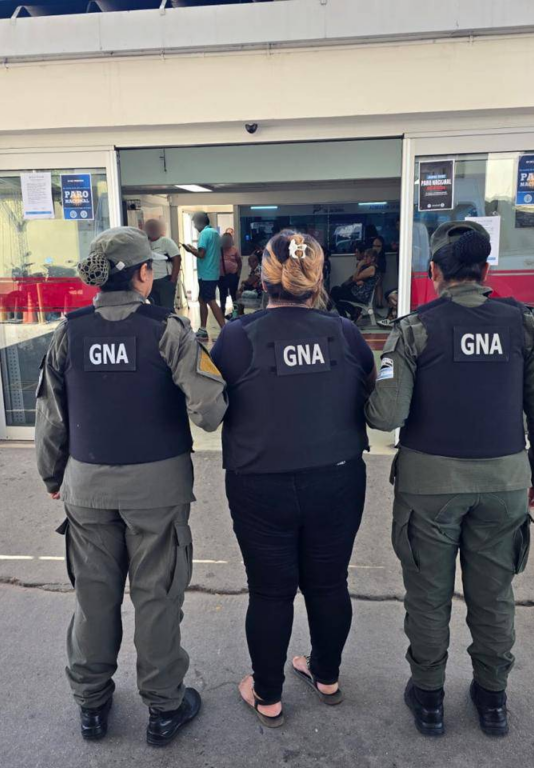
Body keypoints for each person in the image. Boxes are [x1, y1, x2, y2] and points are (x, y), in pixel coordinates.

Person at [365, 220, 534, 738]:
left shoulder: (414, 329)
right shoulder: (523, 325)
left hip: (428, 487)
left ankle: (429, 700)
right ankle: (492, 700)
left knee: (428, 597)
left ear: (434, 272)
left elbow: (386, 416)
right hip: (504, 482)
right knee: (493, 596)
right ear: (485, 270)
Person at [35, 227, 227, 748]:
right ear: (144, 273)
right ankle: (164, 709)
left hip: (87, 489)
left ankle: (92, 706)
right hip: (157, 492)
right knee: (157, 598)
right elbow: (210, 411)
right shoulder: (169, 330)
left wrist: (52, 476)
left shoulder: (68, 331)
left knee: (93, 598)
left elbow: (51, 417)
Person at [211, 231, 375, 728]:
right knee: (329, 582)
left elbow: (211, 407)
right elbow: (370, 391)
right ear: (318, 279)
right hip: (337, 479)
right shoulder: (345, 332)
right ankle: (326, 676)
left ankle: (268, 696)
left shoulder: (237, 335)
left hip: (260, 483)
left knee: (269, 591)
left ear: (262, 279)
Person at [180, 212, 227, 340]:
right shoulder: (214, 232)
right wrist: (194, 249)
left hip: (207, 274)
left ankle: (225, 330)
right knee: (201, 300)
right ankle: (203, 329)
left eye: (195, 223)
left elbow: (201, 254)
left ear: (200, 222)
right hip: (212, 272)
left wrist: (190, 250)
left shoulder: (204, 234)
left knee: (211, 300)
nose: (195, 226)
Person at [330, 246, 378, 321]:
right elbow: (357, 280)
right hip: (358, 293)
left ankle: (352, 314)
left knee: (335, 292)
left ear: (373, 258)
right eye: (364, 256)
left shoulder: (372, 268)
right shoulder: (370, 267)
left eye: (367, 257)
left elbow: (355, 278)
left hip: (361, 296)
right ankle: (352, 313)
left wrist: (359, 265)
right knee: (336, 295)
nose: (364, 259)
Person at [143, 219, 181, 310]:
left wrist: (173, 280)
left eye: (153, 227)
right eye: (149, 228)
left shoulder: (166, 241)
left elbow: (177, 259)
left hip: (164, 280)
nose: (151, 230)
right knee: (155, 309)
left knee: (167, 309)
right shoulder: (145, 243)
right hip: (150, 282)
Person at [218, 231, 242, 317]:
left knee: (233, 295)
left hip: (233, 276)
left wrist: (238, 274)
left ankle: (235, 313)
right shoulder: (219, 250)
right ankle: (222, 313)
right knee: (222, 295)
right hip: (222, 277)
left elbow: (239, 262)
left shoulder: (234, 250)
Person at [236, 250, 263, 316]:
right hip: (255, 289)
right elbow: (249, 281)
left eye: (250, 262)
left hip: (258, 292)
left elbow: (250, 282)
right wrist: (244, 284)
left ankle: (239, 313)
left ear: (256, 261)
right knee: (240, 291)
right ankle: (239, 312)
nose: (249, 264)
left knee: (239, 293)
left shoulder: (258, 269)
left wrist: (243, 283)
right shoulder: (254, 269)